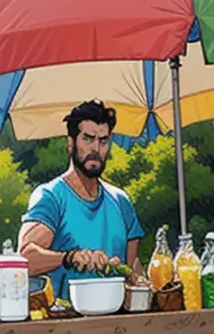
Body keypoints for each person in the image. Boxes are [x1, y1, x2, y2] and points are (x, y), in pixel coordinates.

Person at [17, 100, 147, 299]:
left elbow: (133, 268)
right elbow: (24, 259)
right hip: (65, 322)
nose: (96, 148)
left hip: (118, 320)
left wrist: (139, 280)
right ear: (71, 143)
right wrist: (69, 257)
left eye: (103, 141)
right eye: (88, 139)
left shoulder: (121, 201)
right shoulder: (51, 196)